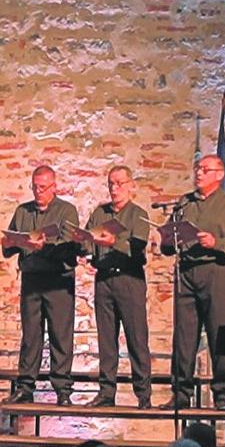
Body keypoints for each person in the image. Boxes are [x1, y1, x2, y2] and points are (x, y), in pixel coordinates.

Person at [161, 154, 225, 410]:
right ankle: (181, 392)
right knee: (184, 335)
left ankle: (221, 395)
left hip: (216, 272)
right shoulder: (184, 203)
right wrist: (168, 239)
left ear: (219, 175)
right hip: (187, 273)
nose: (199, 173)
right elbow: (168, 240)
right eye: (197, 168)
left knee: (219, 332)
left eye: (205, 169)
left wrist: (216, 242)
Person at [1, 164, 81, 406]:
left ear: (54, 187)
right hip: (32, 279)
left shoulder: (66, 210)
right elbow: (9, 244)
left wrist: (44, 246)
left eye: (44, 187)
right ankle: (26, 386)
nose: (39, 192)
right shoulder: (23, 211)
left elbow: (69, 245)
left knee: (60, 335)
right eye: (35, 187)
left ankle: (62, 389)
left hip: (58, 280)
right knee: (31, 335)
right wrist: (12, 242)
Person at [77, 165, 152, 408]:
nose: (114, 188)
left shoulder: (138, 214)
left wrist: (114, 242)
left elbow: (137, 248)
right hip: (104, 280)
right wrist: (84, 249)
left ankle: (143, 394)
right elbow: (88, 240)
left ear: (131, 186)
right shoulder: (100, 213)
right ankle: (106, 392)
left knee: (136, 337)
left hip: (129, 279)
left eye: (119, 183)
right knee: (106, 339)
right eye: (111, 183)